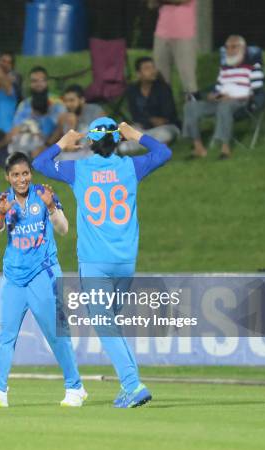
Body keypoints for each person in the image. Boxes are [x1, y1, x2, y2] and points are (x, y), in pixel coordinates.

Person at [33, 118, 172, 408]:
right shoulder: (131, 167)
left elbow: (40, 162)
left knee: (105, 325)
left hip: (95, 262)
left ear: (90, 142)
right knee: (111, 325)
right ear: (118, 139)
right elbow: (163, 154)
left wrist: (64, 141)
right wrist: (137, 135)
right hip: (125, 262)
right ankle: (129, 385)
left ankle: (133, 385)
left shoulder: (79, 169)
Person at [0, 153, 87, 408]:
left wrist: (51, 207)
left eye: (25, 173)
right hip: (14, 276)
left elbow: (64, 228)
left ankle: (75, 387)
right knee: (6, 335)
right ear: (8, 177)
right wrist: (1, 214)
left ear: (30, 174)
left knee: (56, 334)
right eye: (15, 175)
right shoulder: (2, 200)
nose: (21, 179)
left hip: (43, 274)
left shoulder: (44, 194)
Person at [183, 35, 265, 159]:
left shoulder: (254, 67)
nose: (230, 50)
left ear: (243, 49)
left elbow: (256, 91)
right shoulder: (225, 69)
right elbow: (220, 89)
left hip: (241, 102)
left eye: (234, 47)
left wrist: (231, 98)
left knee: (225, 106)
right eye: (227, 47)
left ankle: (225, 149)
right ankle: (198, 147)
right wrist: (214, 95)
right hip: (221, 100)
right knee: (190, 107)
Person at [0, 66, 65, 165]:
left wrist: (46, 146)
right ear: (30, 84)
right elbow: (14, 131)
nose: (38, 84)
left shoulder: (57, 103)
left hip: (48, 145)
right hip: (24, 144)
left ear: (47, 82)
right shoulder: (24, 105)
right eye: (34, 81)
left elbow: (61, 130)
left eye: (41, 81)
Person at [121, 56, 180, 154]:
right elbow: (135, 114)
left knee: (164, 135)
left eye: (153, 67)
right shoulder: (132, 91)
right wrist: (149, 121)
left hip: (165, 127)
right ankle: (143, 143)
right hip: (143, 127)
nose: (152, 71)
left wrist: (161, 120)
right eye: (147, 68)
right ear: (139, 74)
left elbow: (170, 114)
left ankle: (132, 145)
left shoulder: (163, 88)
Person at [149, 0, 198, 97]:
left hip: (184, 35)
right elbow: (151, 4)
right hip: (161, 34)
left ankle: (193, 110)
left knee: (188, 80)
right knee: (160, 80)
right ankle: (165, 111)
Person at [48, 84, 105, 157]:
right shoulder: (64, 116)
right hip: (73, 153)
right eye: (65, 101)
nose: (68, 104)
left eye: (71, 100)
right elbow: (54, 140)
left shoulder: (96, 112)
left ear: (82, 100)